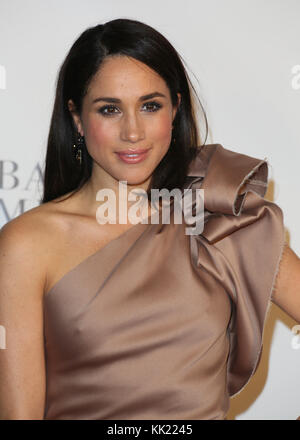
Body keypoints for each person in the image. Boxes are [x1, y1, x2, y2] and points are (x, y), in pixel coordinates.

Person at [0, 18, 299, 421]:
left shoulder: (222, 213)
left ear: (175, 109)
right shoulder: (27, 244)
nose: (133, 132)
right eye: (109, 110)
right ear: (76, 118)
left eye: (150, 106)